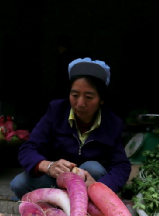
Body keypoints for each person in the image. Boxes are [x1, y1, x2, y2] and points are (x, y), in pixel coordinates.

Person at [10, 57, 131, 200]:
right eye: (75, 95)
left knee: (93, 168)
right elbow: (28, 148)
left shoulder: (112, 123)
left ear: (101, 99)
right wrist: (48, 166)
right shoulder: (56, 111)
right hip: (56, 181)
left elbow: (121, 165)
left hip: (89, 185)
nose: (80, 103)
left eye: (89, 97)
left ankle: (79, 208)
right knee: (19, 183)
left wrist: (101, 186)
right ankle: (62, 205)